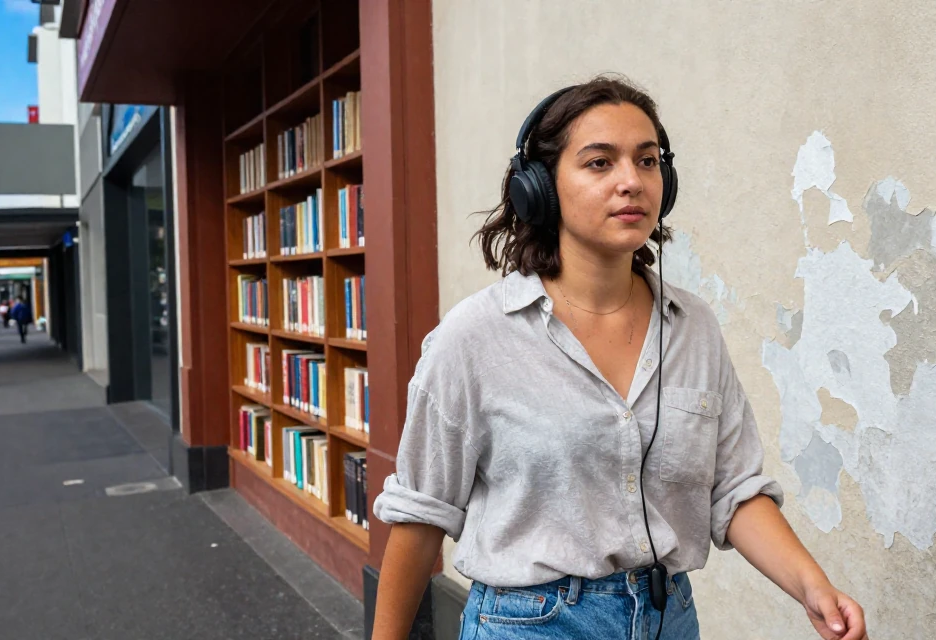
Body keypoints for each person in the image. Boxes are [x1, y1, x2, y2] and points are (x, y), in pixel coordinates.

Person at [369, 75, 867, 640]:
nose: (631, 181)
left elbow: (733, 490)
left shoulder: (693, 327)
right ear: (540, 187)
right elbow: (421, 514)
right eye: (600, 163)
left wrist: (812, 586)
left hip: (669, 618)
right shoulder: (474, 338)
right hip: (531, 624)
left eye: (648, 161)